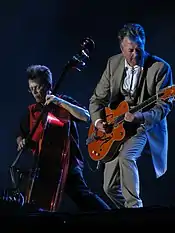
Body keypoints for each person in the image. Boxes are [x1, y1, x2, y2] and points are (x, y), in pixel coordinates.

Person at [89, 23, 174, 208]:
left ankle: (135, 209)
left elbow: (163, 106)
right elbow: (96, 99)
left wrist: (140, 117)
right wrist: (98, 122)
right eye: (130, 50)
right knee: (109, 187)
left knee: (127, 157)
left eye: (139, 50)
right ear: (121, 48)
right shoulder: (113, 63)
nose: (135, 55)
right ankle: (127, 214)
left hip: (142, 126)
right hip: (116, 127)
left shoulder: (160, 68)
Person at [16, 64, 110, 212]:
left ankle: (111, 217)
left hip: (67, 162)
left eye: (37, 87)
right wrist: (21, 142)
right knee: (37, 206)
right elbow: (21, 134)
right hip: (43, 167)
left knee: (83, 196)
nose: (34, 92)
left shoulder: (63, 102)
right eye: (31, 89)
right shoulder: (31, 112)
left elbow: (86, 117)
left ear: (48, 85)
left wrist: (59, 102)